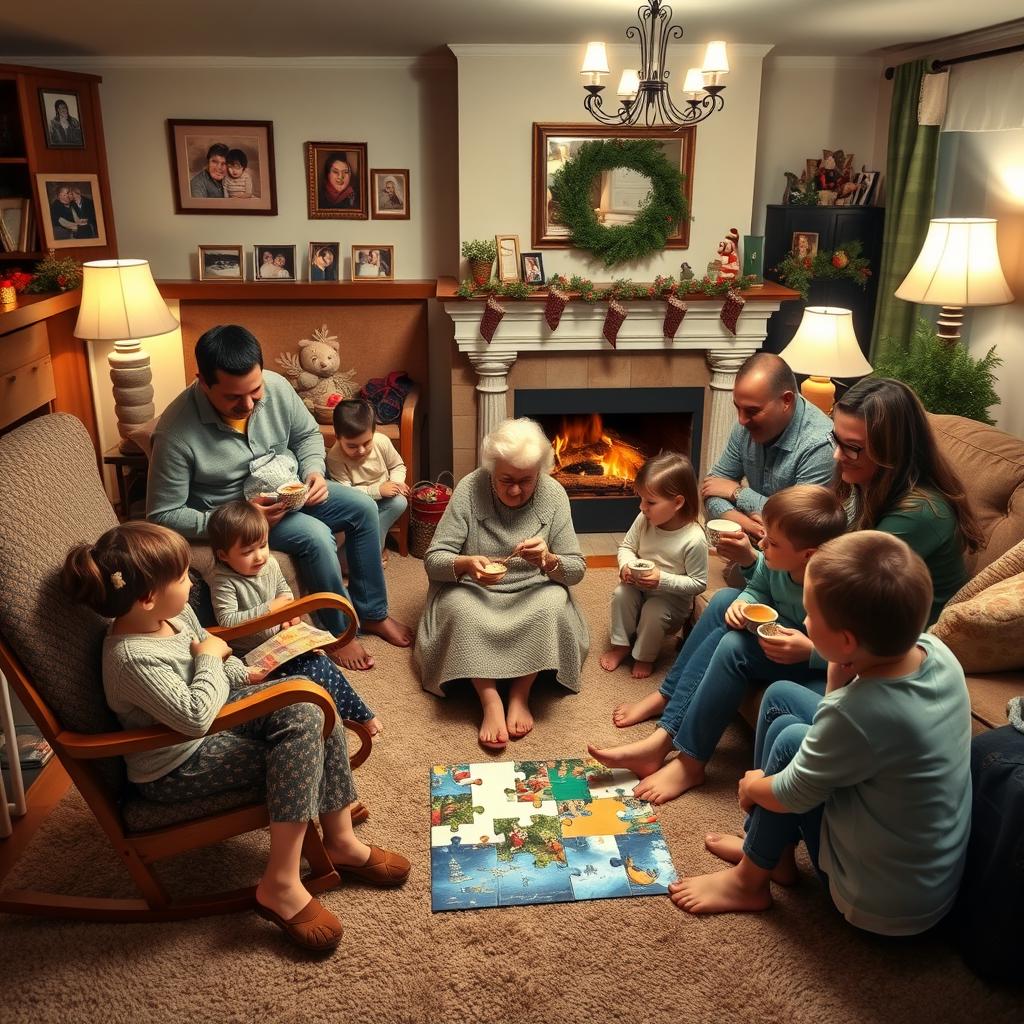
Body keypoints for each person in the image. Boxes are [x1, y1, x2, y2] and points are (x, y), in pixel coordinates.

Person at [61, 521, 410, 953]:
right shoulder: (131, 657)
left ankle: (340, 841)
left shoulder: (173, 615)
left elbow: (214, 654)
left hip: (218, 716)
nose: (192, 582)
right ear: (148, 596)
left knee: (312, 702)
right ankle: (280, 883)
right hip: (176, 765)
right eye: (183, 576)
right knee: (300, 736)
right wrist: (210, 660)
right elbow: (193, 717)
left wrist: (242, 672)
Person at [668, 531, 972, 936]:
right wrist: (834, 677)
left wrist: (754, 788)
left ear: (847, 641)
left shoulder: (858, 714)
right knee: (779, 698)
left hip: (880, 905)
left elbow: (793, 790)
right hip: (923, 880)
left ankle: (748, 882)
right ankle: (771, 855)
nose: (805, 621)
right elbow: (841, 726)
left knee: (793, 741)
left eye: (810, 614)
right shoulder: (936, 651)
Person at [146, 324, 413, 672]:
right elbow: (162, 514)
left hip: (293, 487)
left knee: (363, 506)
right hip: (238, 518)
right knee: (316, 537)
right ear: (202, 381)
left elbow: (306, 437)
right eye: (233, 398)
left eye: (254, 392)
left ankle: (373, 613)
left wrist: (314, 471)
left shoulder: (276, 386)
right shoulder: (175, 433)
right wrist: (240, 516)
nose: (248, 404)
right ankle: (339, 633)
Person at [591, 484, 847, 805]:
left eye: (773, 542)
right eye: (763, 535)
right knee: (726, 600)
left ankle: (689, 762)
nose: (762, 544)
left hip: (813, 661)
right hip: (776, 638)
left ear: (808, 555)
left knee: (733, 646)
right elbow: (757, 588)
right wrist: (747, 601)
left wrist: (811, 651)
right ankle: (665, 711)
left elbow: (863, 652)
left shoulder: (838, 587)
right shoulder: (773, 562)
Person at [414, 417, 588, 752]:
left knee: (553, 603)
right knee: (460, 609)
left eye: (526, 481)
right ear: (491, 469)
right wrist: (465, 564)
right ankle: (490, 698)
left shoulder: (554, 495)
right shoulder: (469, 488)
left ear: (541, 472)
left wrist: (548, 560)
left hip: (533, 589)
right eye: (505, 479)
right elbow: (433, 560)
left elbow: (576, 570)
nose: (514, 490)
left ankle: (521, 693)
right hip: (474, 589)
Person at [206, 501, 381, 736]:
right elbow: (227, 621)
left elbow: (285, 594)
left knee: (323, 662)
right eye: (247, 552)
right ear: (223, 555)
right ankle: (342, 716)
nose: (259, 556)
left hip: (280, 641)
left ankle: (359, 714)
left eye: (263, 545)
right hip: (252, 656)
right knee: (310, 674)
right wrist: (271, 609)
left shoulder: (270, 564)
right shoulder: (223, 581)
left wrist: (289, 615)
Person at [830, 377, 980, 624]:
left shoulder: (920, 512)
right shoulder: (865, 481)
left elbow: (844, 592)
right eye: (836, 439)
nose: (837, 455)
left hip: (899, 646)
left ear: (892, 449)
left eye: (852, 447)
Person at [702, 352, 834, 539]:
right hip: (756, 542)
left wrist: (737, 492)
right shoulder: (746, 424)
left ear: (786, 401)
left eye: (752, 411)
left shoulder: (819, 446)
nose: (741, 420)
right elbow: (711, 490)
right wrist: (747, 524)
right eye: (737, 407)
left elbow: (799, 524)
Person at [601, 452, 707, 679]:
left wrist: (662, 579)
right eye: (641, 499)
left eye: (650, 502)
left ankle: (644, 655)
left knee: (654, 609)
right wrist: (626, 567)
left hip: (670, 603)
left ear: (678, 502)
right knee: (621, 593)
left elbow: (699, 583)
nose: (642, 507)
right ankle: (621, 645)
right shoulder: (644, 520)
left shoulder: (694, 538)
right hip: (639, 589)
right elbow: (626, 547)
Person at [327, 399, 410, 563]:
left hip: (384, 500)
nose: (361, 450)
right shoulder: (335, 457)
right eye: (352, 446)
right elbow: (346, 495)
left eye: (367, 443)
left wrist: (396, 482)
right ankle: (372, 552)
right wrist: (377, 490)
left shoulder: (382, 441)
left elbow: (397, 465)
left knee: (400, 502)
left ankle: (371, 550)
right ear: (337, 438)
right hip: (357, 506)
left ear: (373, 433)